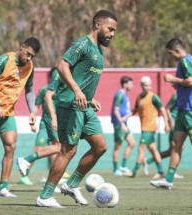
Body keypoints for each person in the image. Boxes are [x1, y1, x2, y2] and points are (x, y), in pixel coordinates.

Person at [36, 10, 118, 208]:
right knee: (68, 150)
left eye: (114, 31)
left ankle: (71, 185)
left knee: (100, 147)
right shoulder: (82, 44)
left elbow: (82, 78)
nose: (112, 34)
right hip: (70, 104)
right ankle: (45, 196)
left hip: (84, 105)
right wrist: (78, 92)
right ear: (98, 25)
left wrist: (90, 99)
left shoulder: (98, 50)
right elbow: (62, 66)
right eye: (110, 29)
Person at [0, 37, 41, 197]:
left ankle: (3, 188)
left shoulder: (29, 67)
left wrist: (32, 111)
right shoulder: (4, 59)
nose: (28, 58)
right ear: (22, 46)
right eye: (27, 54)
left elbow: (29, 90)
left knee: (10, 145)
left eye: (31, 56)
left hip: (7, 111)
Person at [150, 38, 192, 189]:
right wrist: (177, 83)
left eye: (171, 54)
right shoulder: (189, 60)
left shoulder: (185, 61)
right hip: (183, 110)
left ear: (177, 51)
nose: (171, 57)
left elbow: (191, 81)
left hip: (191, 110)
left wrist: (172, 78)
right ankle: (168, 180)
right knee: (176, 145)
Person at [18, 67, 68, 186]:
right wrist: (32, 120)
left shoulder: (63, 90)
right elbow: (36, 106)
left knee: (56, 150)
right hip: (45, 125)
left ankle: (53, 177)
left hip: (58, 125)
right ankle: (24, 175)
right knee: (38, 148)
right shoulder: (45, 90)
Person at [123, 76, 170, 178]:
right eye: (146, 85)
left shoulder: (154, 97)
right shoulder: (139, 97)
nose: (148, 87)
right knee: (153, 149)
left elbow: (162, 110)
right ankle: (161, 171)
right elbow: (135, 109)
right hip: (144, 127)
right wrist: (126, 116)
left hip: (149, 128)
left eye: (150, 85)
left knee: (141, 149)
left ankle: (134, 171)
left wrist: (166, 123)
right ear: (141, 86)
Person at [143, 92, 184, 179]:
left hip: (181, 124)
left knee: (172, 150)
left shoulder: (187, 94)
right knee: (177, 147)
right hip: (175, 124)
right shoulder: (176, 95)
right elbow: (167, 109)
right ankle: (172, 171)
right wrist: (171, 121)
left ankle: (148, 161)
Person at [111, 76, 135, 176]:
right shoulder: (120, 94)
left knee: (132, 143)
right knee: (118, 146)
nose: (132, 85)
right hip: (119, 124)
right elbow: (115, 111)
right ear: (125, 84)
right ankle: (116, 169)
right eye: (130, 83)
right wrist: (121, 123)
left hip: (124, 123)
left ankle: (123, 166)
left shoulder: (125, 95)